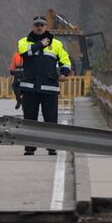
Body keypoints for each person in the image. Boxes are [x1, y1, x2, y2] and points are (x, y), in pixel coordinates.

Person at [16, 15, 71, 155]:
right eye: (36, 25)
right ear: (33, 26)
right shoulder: (23, 41)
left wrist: (64, 73)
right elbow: (25, 53)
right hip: (29, 87)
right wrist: (41, 44)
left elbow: (66, 61)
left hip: (49, 87)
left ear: (46, 27)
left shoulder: (57, 44)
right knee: (29, 119)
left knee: (51, 120)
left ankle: (51, 146)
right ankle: (30, 147)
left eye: (42, 25)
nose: (39, 27)